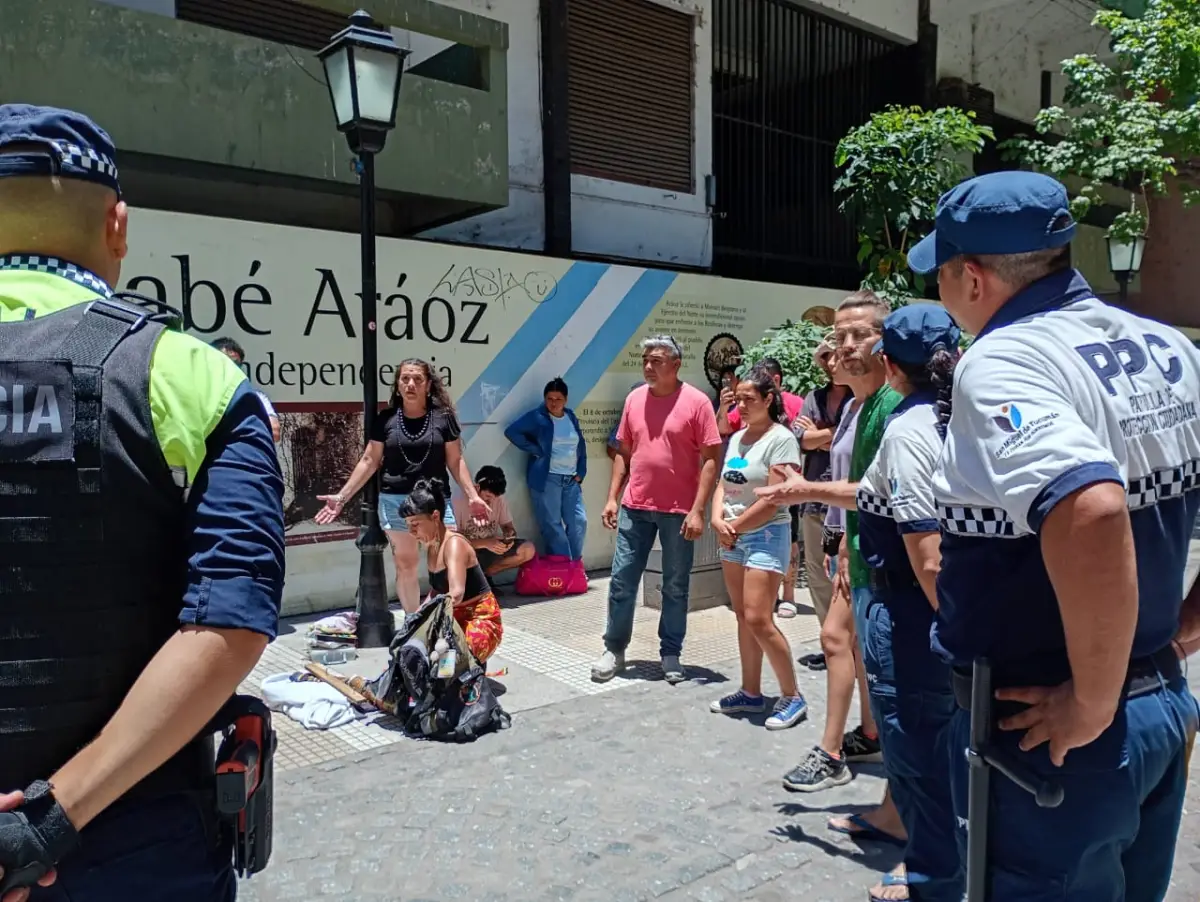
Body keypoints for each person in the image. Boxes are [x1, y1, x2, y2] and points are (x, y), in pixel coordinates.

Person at [0, 104, 285, 901]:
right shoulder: (195, 378)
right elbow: (230, 620)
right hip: (137, 844)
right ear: (117, 225)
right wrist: (45, 821)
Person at [909, 170, 1200, 901]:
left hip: (1054, 728)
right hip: (1157, 700)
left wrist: (1094, 702)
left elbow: (1092, 508)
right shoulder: (1167, 347)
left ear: (970, 277)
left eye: (939, 275)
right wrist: (1185, 627)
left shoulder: (1006, 362)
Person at [757, 292, 907, 887]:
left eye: (856, 335)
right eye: (838, 336)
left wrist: (808, 494)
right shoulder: (860, 405)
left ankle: (918, 842)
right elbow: (861, 484)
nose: (842, 346)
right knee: (844, 644)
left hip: (900, 568)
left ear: (886, 340)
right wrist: (842, 539)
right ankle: (884, 791)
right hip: (864, 553)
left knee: (904, 695)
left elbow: (885, 491)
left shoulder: (895, 402)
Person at [853, 304, 963, 902]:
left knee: (918, 747)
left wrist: (958, 638)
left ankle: (931, 874)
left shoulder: (909, 428)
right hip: (937, 610)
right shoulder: (961, 417)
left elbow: (929, 559)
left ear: (890, 366)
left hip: (914, 616)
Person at [593, 335, 723, 684]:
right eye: (646, 360)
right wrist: (611, 497)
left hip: (679, 510)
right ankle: (614, 649)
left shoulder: (696, 403)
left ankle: (670, 653)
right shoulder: (635, 399)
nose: (649, 366)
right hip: (635, 507)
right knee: (621, 580)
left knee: (675, 586)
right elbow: (623, 450)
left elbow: (711, 459)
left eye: (657, 360)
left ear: (676, 364)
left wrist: (698, 510)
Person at [314, 359, 489, 613]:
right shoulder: (386, 419)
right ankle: (412, 623)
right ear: (397, 385)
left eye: (417, 379)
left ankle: (449, 620)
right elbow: (369, 460)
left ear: (428, 385)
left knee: (445, 562)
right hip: (397, 503)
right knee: (405, 565)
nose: (410, 384)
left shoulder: (443, 418)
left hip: (435, 504)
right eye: (405, 378)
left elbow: (455, 460)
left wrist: (472, 496)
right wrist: (342, 497)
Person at [709, 364, 808, 730]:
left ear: (769, 399)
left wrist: (733, 525)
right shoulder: (737, 438)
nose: (742, 406)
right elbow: (725, 482)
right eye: (738, 400)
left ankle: (792, 695)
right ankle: (750, 691)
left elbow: (775, 498)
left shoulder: (781, 439)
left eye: (749, 400)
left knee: (758, 618)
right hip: (732, 535)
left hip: (765, 534)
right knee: (742, 616)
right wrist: (717, 519)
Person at [789, 339, 851, 643]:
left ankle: (850, 645)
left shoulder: (860, 396)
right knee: (816, 573)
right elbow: (800, 438)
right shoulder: (814, 397)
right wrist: (832, 435)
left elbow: (845, 439)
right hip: (814, 501)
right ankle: (830, 642)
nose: (830, 362)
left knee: (847, 571)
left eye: (834, 355)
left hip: (846, 501)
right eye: (825, 357)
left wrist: (821, 435)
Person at [402, 479, 503, 663]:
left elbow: (456, 594)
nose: (411, 531)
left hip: (479, 620)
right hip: (451, 618)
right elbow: (436, 590)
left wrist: (428, 616)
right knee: (410, 650)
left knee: (446, 662)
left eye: (415, 523)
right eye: (408, 524)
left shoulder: (454, 544)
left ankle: (465, 677)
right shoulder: (432, 546)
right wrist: (417, 615)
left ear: (435, 516)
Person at [503, 377, 588, 561]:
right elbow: (512, 431)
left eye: (558, 399)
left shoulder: (570, 416)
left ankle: (574, 564)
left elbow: (580, 445)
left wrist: (581, 472)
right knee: (552, 524)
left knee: (579, 522)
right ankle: (564, 566)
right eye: (549, 398)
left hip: (571, 479)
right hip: (547, 478)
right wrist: (536, 450)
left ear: (565, 400)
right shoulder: (538, 417)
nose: (553, 403)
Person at [451, 465, 535, 578]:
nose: (491, 501)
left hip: (491, 550)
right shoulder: (458, 500)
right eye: (487, 496)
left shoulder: (498, 500)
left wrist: (508, 536)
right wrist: (485, 543)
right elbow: (452, 542)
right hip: (469, 551)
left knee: (528, 549)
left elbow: (508, 525)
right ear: (477, 488)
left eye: (495, 497)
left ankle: (487, 574)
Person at [211, 336, 281, 443]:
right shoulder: (199, 394)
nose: (232, 368)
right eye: (225, 362)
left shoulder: (257, 396)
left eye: (236, 364)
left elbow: (274, 432)